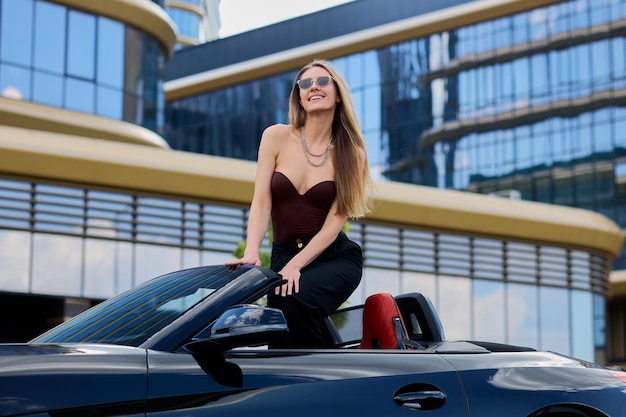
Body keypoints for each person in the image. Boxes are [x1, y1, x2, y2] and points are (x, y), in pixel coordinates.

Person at [226, 59, 372, 348]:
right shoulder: (275, 137)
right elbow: (261, 203)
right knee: (281, 334)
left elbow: (334, 224)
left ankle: (323, 381)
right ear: (299, 97)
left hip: (333, 257)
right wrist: (253, 251)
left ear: (338, 93)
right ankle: (331, 375)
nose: (313, 87)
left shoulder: (352, 153)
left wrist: (295, 266)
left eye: (322, 81)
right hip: (282, 255)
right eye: (305, 84)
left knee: (291, 298)